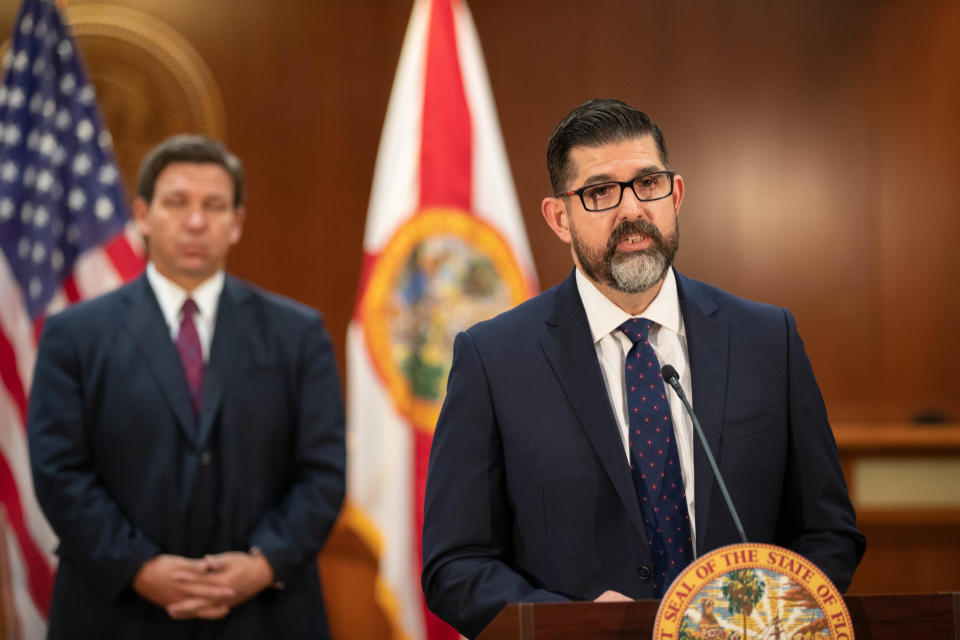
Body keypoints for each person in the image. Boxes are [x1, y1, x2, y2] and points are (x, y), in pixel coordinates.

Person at [421, 99, 865, 638]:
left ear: (675, 195)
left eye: (648, 183)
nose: (631, 210)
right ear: (560, 218)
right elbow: (456, 565)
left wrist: (766, 616)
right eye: (600, 192)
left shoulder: (769, 340)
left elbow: (828, 531)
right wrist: (572, 624)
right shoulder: (493, 360)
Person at [28, 135, 345, 638]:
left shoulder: (298, 334)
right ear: (143, 215)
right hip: (115, 612)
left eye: (214, 206)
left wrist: (264, 564)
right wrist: (137, 566)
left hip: (265, 615)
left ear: (236, 222)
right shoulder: (74, 335)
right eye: (177, 202)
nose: (196, 221)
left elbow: (323, 472)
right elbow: (58, 470)